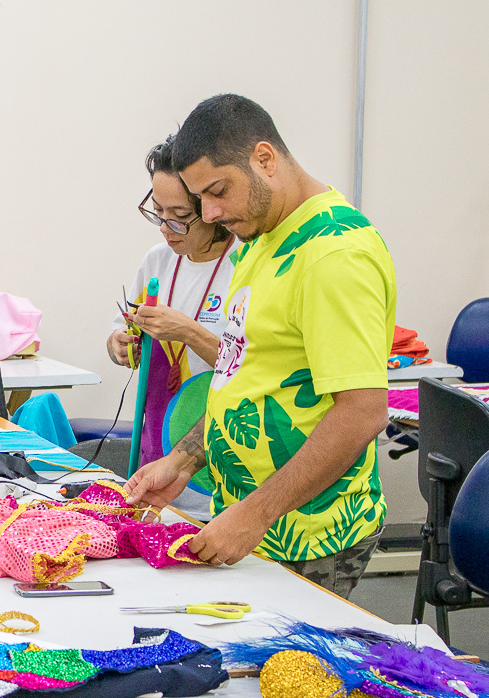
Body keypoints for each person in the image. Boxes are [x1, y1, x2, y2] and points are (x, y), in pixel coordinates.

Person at [127, 94, 395, 603]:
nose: (210, 212)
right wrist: (183, 461)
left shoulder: (333, 255)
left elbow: (362, 412)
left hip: (309, 532)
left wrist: (254, 514)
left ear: (265, 159)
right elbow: (245, 375)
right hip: (251, 522)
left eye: (218, 191)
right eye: (200, 199)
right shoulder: (261, 239)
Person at [108, 136, 236, 475]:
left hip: (218, 461)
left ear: (212, 207)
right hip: (157, 447)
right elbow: (122, 335)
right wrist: (120, 345)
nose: (165, 228)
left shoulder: (243, 266)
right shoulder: (158, 261)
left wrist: (188, 332)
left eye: (180, 216)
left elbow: (253, 370)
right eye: (158, 212)